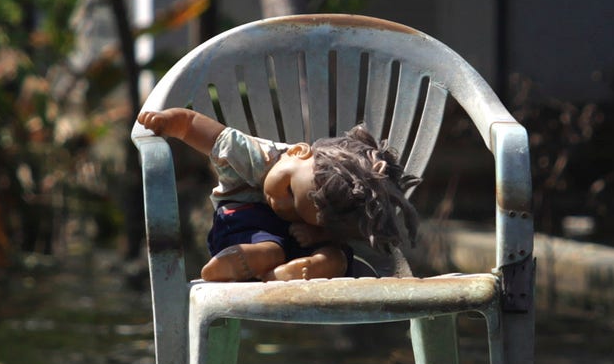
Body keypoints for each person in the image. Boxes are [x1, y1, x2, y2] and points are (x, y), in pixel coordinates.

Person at [136, 107, 420, 281]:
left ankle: (313, 267)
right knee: (266, 242)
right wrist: (172, 122)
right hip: (245, 227)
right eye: (288, 191)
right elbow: (202, 130)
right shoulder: (256, 155)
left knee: (338, 253)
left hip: (294, 249)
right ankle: (249, 259)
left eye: (301, 213)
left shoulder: (329, 204)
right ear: (298, 151)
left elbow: (338, 232)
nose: (282, 207)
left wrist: (319, 235)